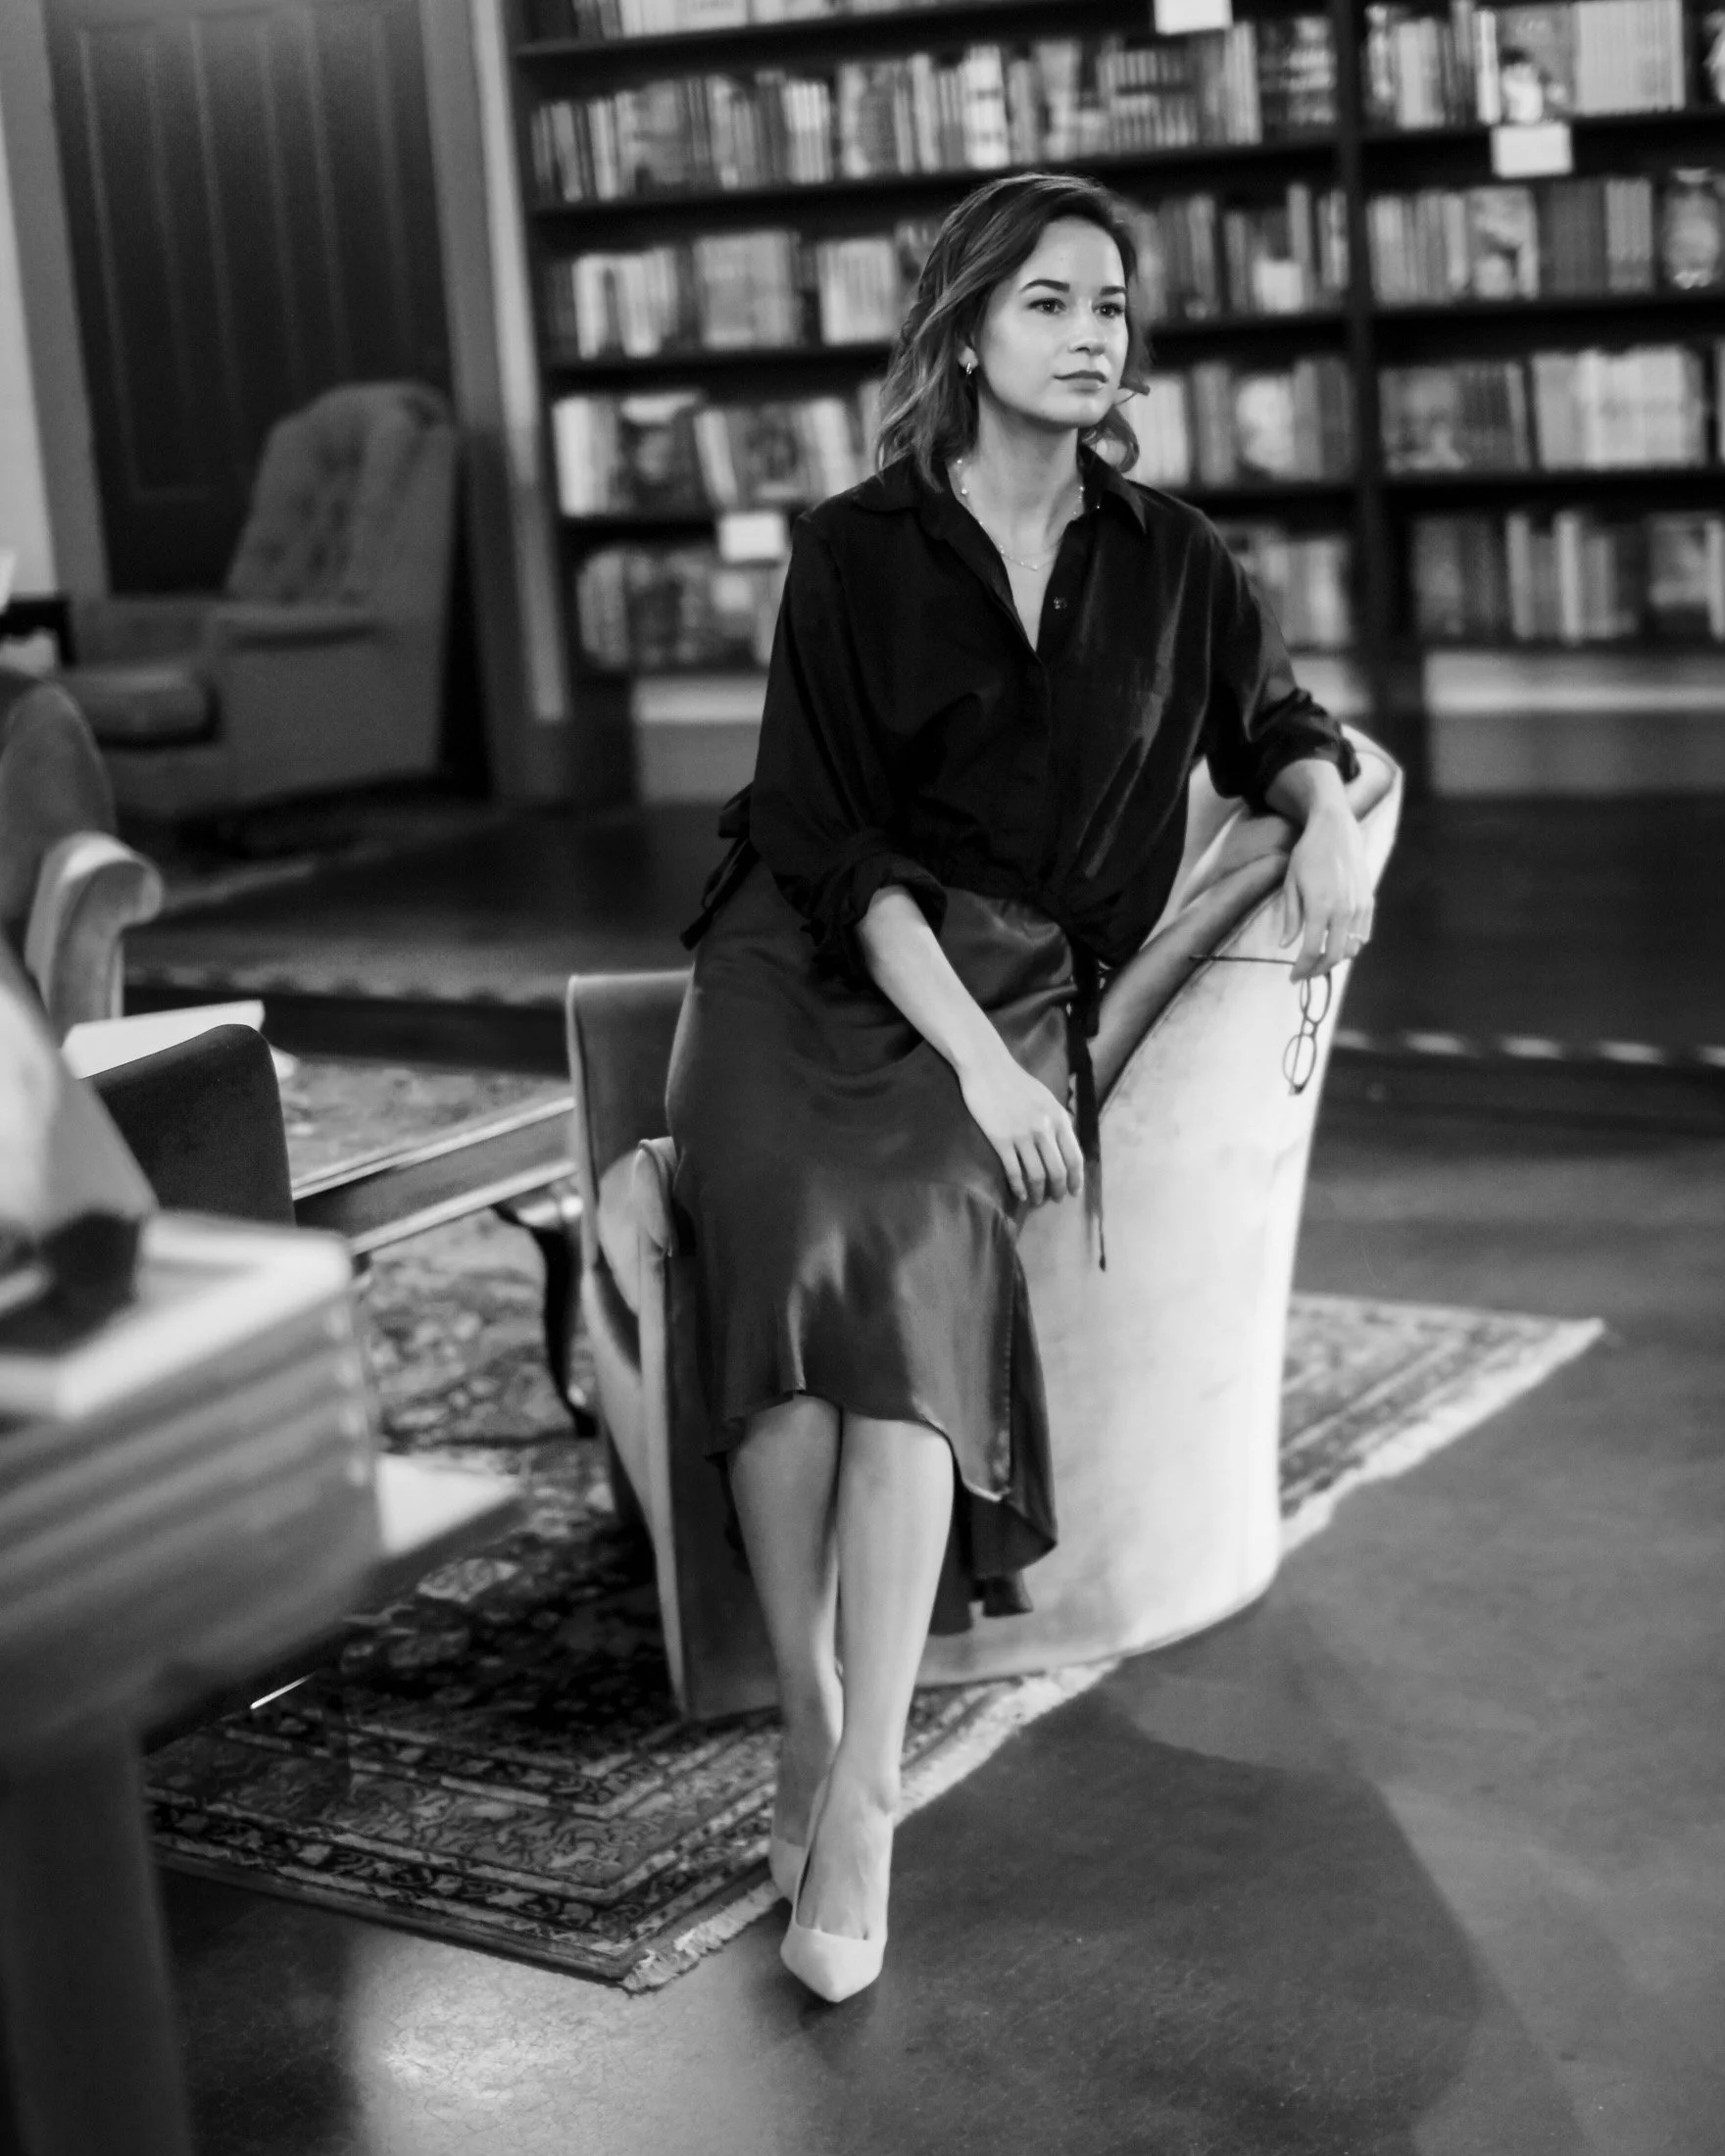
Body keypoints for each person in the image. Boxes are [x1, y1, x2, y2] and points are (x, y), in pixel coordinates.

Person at [668, 172, 1372, 2002]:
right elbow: (822, 846)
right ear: (969, 327)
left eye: (1115, 310)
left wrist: (1320, 826)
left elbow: (1281, 727)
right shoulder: (850, 551)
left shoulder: (1178, 560)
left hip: (1007, 970)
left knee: (896, 1260)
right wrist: (983, 1069)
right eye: (1053, 303)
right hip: (806, 961)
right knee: (793, 1231)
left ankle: (865, 1786)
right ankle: (807, 1707)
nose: (1092, 337)